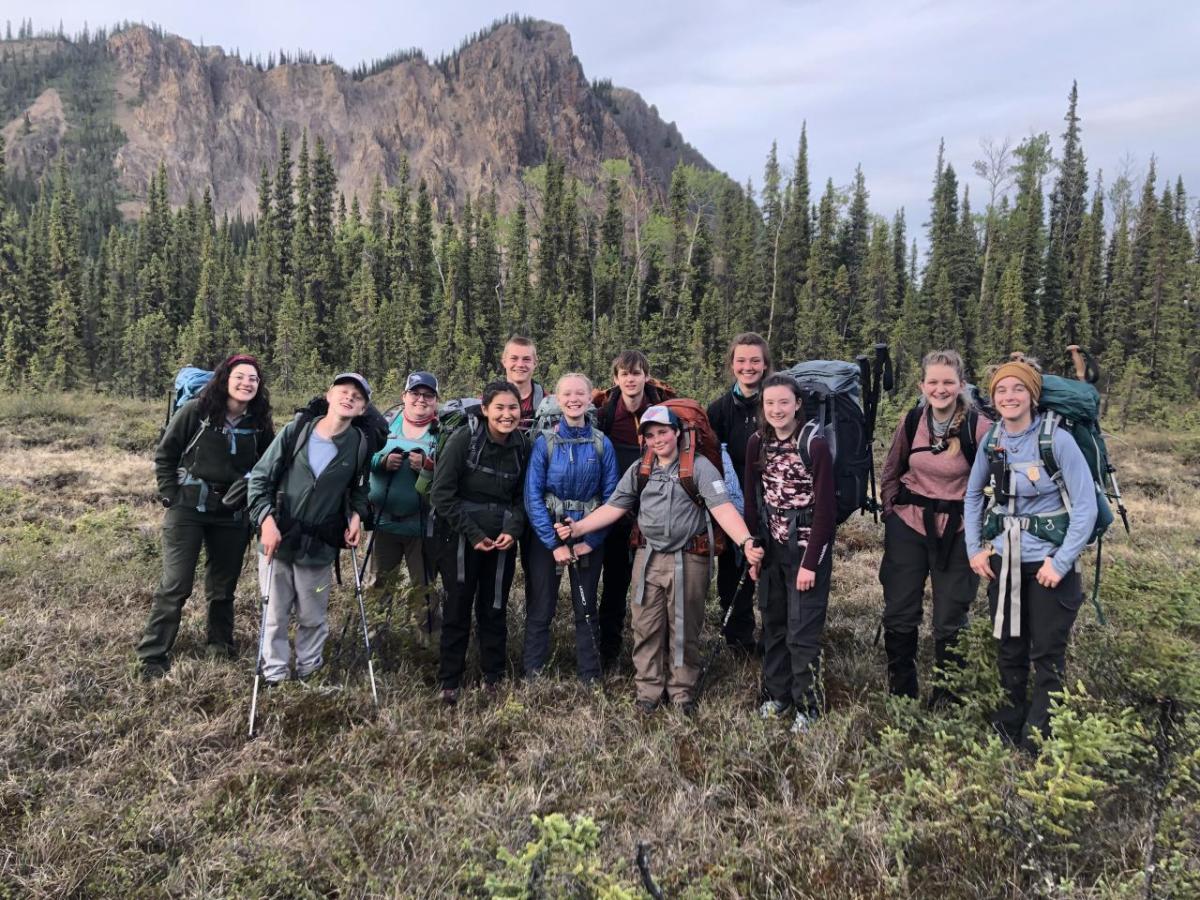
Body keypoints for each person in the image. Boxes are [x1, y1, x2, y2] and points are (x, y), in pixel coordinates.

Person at [555, 406, 763, 714]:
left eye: (663, 432)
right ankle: (648, 691)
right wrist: (579, 528)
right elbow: (615, 506)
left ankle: (681, 693)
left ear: (678, 432)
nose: (657, 439)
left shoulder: (700, 467)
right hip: (647, 556)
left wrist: (745, 541)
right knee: (645, 624)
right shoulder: (642, 468)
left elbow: (723, 508)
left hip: (690, 557)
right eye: (650, 435)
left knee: (684, 626)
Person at [964, 359, 1097, 752]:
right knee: (1009, 646)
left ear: (1032, 395)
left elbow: (1085, 506)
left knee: (1047, 652)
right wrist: (974, 549)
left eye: (1018, 389)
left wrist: (1062, 562)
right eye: (1001, 391)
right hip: (1005, 561)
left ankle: (1038, 735)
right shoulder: (993, 440)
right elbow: (973, 495)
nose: (1009, 397)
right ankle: (1009, 725)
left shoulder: (1057, 440)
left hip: (1047, 564)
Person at [136, 354, 275, 679]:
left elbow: (270, 465)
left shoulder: (259, 422)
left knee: (223, 587)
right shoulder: (195, 412)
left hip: (232, 512)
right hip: (187, 510)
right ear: (225, 379)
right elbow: (166, 453)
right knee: (175, 584)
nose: (246, 383)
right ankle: (152, 656)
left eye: (253, 379)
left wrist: (251, 487)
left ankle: (220, 646)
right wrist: (170, 493)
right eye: (240, 376)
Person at [877, 350, 992, 703]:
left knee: (951, 612)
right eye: (933, 382)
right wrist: (891, 511)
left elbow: (998, 482)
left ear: (960, 385)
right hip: (909, 526)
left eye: (947, 382)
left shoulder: (980, 428)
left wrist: (984, 531)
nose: (939, 389)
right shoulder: (912, 421)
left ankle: (949, 693)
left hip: (959, 531)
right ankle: (902, 688)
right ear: (921, 385)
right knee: (899, 607)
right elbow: (891, 470)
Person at [247, 373, 373, 685]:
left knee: (313, 615)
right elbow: (260, 479)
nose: (349, 398)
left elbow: (359, 490)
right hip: (277, 540)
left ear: (362, 409)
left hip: (319, 550)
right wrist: (265, 522)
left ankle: (308, 671)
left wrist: (357, 516)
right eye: (343, 391)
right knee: (274, 614)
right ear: (329, 395)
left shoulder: (358, 445)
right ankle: (274, 674)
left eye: (356, 397)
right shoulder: (297, 431)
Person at [744, 374, 836, 734]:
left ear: (798, 403)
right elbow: (754, 499)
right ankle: (777, 695)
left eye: (784, 402)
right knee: (774, 623)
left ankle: (808, 705)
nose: (777, 410)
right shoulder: (758, 442)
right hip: (772, 545)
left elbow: (826, 511)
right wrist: (754, 545)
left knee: (803, 629)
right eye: (770, 404)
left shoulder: (814, 445)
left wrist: (811, 563)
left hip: (805, 547)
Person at [431, 381, 529, 704]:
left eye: (512, 408)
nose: (507, 414)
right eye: (499, 408)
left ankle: (493, 677)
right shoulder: (464, 441)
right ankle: (449, 680)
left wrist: (513, 530)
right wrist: (473, 534)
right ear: (485, 409)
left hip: (501, 543)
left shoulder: (522, 446)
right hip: (460, 541)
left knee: (495, 608)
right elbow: (442, 495)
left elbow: (522, 497)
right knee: (457, 606)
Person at [523, 373, 620, 683]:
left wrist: (590, 540)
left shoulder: (603, 444)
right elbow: (532, 495)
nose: (574, 399)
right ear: (558, 399)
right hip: (548, 537)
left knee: (586, 606)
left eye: (580, 393)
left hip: (587, 536)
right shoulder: (544, 443)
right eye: (568, 394)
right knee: (541, 606)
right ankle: (533, 672)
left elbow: (612, 498)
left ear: (591, 399)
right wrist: (553, 543)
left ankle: (590, 675)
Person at [592, 350, 676, 669]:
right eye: (625, 374)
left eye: (637, 373)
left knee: (654, 585)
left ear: (646, 377)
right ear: (616, 379)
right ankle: (609, 649)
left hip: (654, 512)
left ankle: (658, 652)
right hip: (615, 510)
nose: (631, 379)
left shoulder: (661, 412)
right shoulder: (605, 413)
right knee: (614, 582)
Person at [707, 332, 771, 653]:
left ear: (765, 364)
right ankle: (740, 641)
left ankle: (776, 636)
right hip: (733, 503)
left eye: (755, 361)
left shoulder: (776, 402)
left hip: (774, 502)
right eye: (741, 360)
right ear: (732, 365)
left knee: (773, 569)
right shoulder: (718, 409)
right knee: (733, 571)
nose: (748, 367)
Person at [366, 371, 440, 643]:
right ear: (404, 396)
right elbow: (365, 457)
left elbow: (450, 473)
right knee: (378, 587)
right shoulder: (385, 425)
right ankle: (374, 644)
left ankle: (429, 647)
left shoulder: (441, 431)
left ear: (436, 400)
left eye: (428, 395)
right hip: (383, 522)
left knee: (425, 590)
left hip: (422, 525)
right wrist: (382, 463)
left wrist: (429, 467)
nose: (421, 400)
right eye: (415, 394)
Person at [500, 335, 545, 433]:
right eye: (514, 358)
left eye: (526, 359)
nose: (520, 364)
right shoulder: (489, 400)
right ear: (504, 361)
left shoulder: (546, 401)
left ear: (535, 363)